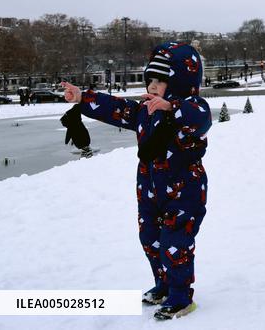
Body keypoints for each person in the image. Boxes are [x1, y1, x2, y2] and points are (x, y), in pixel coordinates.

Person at [60, 41, 211, 321]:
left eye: (161, 81)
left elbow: (201, 117)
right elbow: (116, 109)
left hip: (184, 193)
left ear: (180, 82)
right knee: (150, 239)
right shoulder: (144, 111)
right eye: (150, 80)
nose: (153, 86)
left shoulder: (192, 109)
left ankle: (180, 295)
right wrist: (82, 97)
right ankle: (163, 284)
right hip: (150, 191)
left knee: (175, 242)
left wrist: (171, 106)